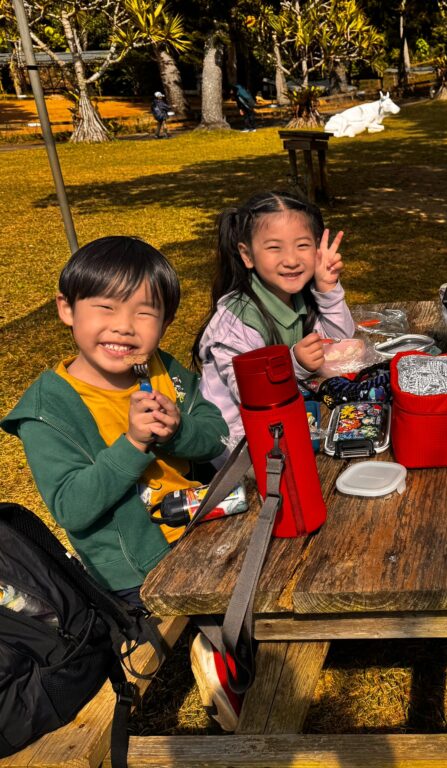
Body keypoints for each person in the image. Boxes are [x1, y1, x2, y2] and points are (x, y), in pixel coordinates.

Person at [0, 236, 243, 731]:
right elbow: (72, 507)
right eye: (105, 307)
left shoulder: (158, 369)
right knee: (240, 594)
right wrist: (133, 445)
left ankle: (223, 638)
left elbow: (214, 431)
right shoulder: (48, 411)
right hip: (136, 568)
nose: (124, 326)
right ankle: (219, 649)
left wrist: (179, 430)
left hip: (200, 520)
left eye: (144, 313)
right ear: (67, 309)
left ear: (166, 323)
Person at [192, 190, 355, 453]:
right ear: (247, 255)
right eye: (274, 247)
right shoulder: (237, 321)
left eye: (302, 245)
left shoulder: (299, 295)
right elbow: (251, 393)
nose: (291, 260)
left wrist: (327, 288)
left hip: (282, 424)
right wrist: (295, 364)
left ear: (316, 248)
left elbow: (340, 345)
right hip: (236, 449)